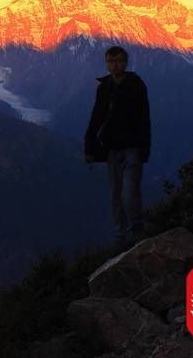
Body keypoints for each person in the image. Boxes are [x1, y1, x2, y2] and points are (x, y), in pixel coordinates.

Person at [83, 45, 151, 246]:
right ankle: (121, 235)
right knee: (116, 193)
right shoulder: (104, 88)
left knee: (129, 190)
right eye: (111, 62)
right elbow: (96, 117)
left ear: (125, 63)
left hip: (132, 147)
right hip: (112, 148)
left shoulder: (136, 85)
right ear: (106, 64)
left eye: (118, 61)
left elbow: (144, 117)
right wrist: (89, 146)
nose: (114, 65)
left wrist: (144, 147)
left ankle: (135, 230)